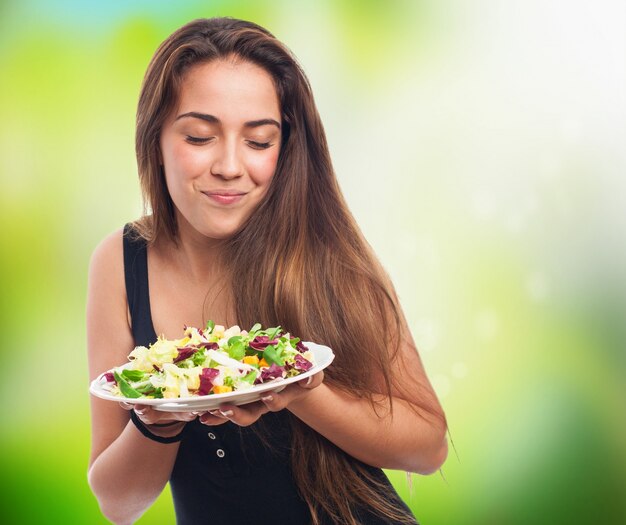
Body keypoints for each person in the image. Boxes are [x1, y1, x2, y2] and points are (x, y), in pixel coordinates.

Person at [86, 17, 448, 525]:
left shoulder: (323, 254)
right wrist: (161, 417)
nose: (230, 166)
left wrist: (302, 394)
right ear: (156, 138)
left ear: (285, 148)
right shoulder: (122, 261)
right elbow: (116, 503)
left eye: (258, 142)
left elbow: (428, 447)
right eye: (199, 137)